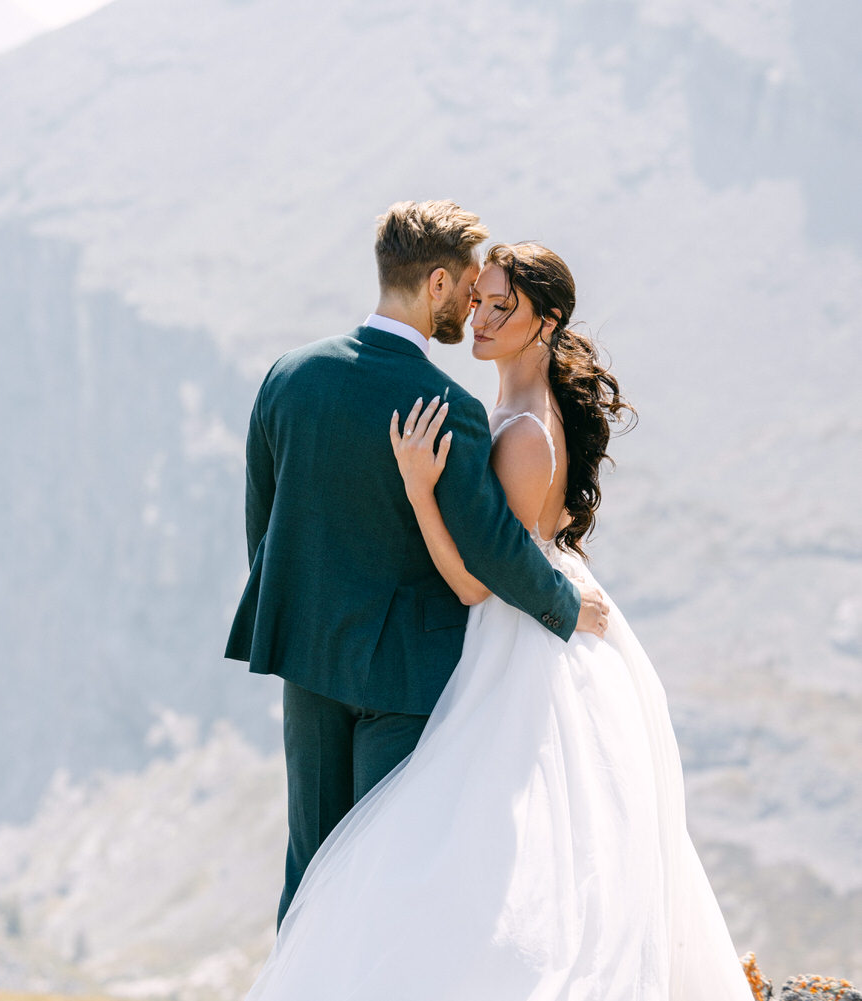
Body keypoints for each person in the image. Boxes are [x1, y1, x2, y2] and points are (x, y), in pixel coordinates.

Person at [242, 242, 749, 998]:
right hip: (511, 632)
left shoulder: (515, 432)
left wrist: (420, 490)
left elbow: (481, 584)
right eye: (478, 299)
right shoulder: (506, 413)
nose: (477, 317)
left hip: (514, 637)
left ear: (544, 323)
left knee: (430, 849)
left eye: (499, 305)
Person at [225, 200, 609, 930]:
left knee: (311, 863)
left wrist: (301, 620)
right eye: (469, 287)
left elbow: (263, 525)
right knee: (390, 861)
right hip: (405, 679)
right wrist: (563, 605)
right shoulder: (444, 404)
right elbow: (493, 543)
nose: (474, 305)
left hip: (309, 667)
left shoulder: (287, 377)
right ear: (437, 283)